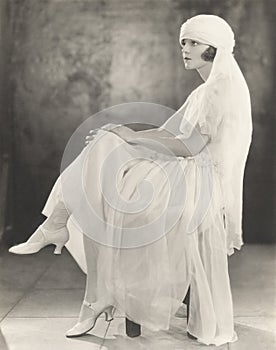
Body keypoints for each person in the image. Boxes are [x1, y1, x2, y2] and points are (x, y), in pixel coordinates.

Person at [9, 14, 252, 346]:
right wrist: (124, 134)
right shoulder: (207, 88)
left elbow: (189, 146)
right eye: (183, 42)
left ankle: (61, 236)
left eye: (193, 42)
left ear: (215, 48)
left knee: (107, 175)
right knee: (107, 146)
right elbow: (169, 132)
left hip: (198, 180)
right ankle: (67, 243)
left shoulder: (217, 91)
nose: (185, 48)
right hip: (187, 168)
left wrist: (131, 138)